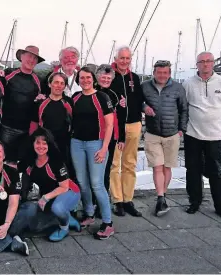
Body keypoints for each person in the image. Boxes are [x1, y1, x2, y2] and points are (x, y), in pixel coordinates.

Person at [182, 51, 221, 221]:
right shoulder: (188, 84)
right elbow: (184, 106)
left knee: (215, 172)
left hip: (214, 135)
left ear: (213, 63)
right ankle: (194, 202)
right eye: (201, 62)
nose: (205, 64)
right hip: (192, 134)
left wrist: (215, 120)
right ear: (196, 64)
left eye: (208, 61)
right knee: (193, 170)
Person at [70, 66, 115, 240]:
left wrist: (104, 148)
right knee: (82, 181)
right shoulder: (76, 98)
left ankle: (108, 222)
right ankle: (89, 213)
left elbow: (110, 124)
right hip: (76, 143)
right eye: (82, 78)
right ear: (78, 80)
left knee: (97, 183)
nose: (85, 81)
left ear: (93, 79)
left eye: (88, 77)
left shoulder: (102, 97)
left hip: (96, 144)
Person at [142, 60, 187, 217]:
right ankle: (160, 198)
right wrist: (144, 107)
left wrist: (182, 130)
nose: (162, 75)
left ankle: (163, 196)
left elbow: (184, 109)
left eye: (165, 73)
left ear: (169, 73)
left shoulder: (178, 88)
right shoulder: (145, 86)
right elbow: (138, 102)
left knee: (167, 167)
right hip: (153, 133)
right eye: (159, 72)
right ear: (154, 72)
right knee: (157, 166)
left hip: (172, 134)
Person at [0, 139, 37, 255]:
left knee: (31, 207)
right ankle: (11, 243)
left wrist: (7, 224)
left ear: (4, 155)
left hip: (9, 217)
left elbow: (14, 202)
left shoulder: (12, 172)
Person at [19, 127, 81, 242]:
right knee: (36, 226)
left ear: (49, 145)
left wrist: (45, 197)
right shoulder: (30, 160)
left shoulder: (55, 161)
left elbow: (64, 187)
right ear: (33, 143)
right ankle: (68, 218)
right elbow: (15, 168)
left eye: (44, 143)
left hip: (70, 192)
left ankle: (64, 228)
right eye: (38, 142)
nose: (41, 146)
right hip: (51, 197)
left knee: (57, 208)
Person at [109, 46, 144, 217]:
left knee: (130, 163)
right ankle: (117, 200)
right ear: (116, 58)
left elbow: (139, 99)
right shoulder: (110, 77)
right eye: (121, 58)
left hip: (134, 124)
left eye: (127, 58)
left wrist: (147, 109)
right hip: (116, 126)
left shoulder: (135, 78)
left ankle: (128, 199)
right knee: (115, 164)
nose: (124, 61)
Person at [0, 45, 45, 167]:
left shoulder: (39, 80)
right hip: (6, 127)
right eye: (29, 56)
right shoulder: (8, 73)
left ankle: (22, 186)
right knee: (5, 163)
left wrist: (41, 99)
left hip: (27, 130)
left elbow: (45, 100)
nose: (32, 60)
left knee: (24, 165)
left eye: (35, 58)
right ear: (21, 57)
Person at [93, 64, 123, 218]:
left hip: (109, 137)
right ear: (97, 78)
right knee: (92, 172)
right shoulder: (92, 91)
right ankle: (91, 203)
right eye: (103, 77)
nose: (105, 80)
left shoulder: (114, 95)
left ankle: (102, 205)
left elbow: (119, 118)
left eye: (108, 78)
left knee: (104, 172)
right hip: (93, 135)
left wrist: (120, 137)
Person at [30, 72, 73, 172]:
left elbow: (74, 122)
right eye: (56, 82)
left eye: (62, 83)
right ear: (50, 84)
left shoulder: (69, 102)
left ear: (65, 86)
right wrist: (33, 143)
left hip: (64, 144)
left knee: (63, 173)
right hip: (45, 144)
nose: (59, 86)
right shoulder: (40, 103)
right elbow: (34, 125)